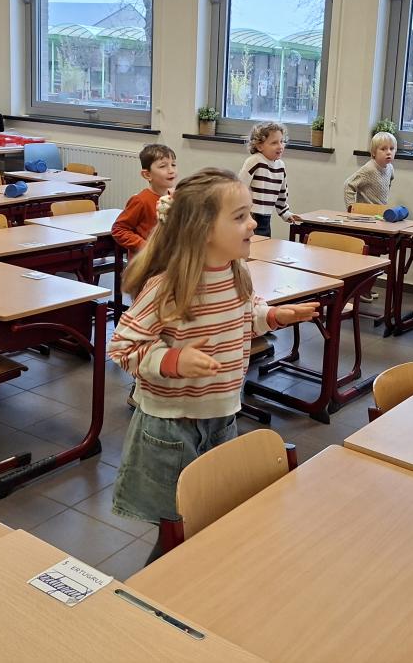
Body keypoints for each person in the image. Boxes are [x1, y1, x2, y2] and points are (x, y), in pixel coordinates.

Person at [107, 168, 319, 562]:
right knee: (177, 530)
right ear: (202, 229)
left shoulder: (237, 272)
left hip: (222, 415)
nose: (252, 223)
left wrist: (274, 316)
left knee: (209, 520)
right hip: (170, 427)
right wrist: (173, 360)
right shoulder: (168, 286)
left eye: (249, 214)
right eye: (239, 216)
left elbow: (246, 314)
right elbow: (122, 346)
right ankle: (153, 591)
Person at [112, 143, 177, 255]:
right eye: (163, 166)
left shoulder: (175, 198)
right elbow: (119, 229)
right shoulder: (140, 200)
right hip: (146, 261)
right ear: (147, 175)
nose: (171, 170)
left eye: (173, 164)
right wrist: (143, 246)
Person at [239, 121, 300, 238]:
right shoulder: (254, 161)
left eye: (282, 141)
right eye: (274, 143)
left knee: (264, 244)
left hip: (266, 218)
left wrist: (285, 213)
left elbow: (282, 193)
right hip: (251, 215)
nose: (280, 146)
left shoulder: (280, 166)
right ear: (259, 146)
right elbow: (240, 187)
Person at [344, 131, 396, 208]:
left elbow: (387, 185)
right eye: (383, 149)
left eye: (391, 148)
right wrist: (351, 208)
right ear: (374, 152)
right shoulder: (369, 169)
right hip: (364, 212)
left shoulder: (390, 168)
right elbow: (348, 184)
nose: (389, 152)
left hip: (380, 211)